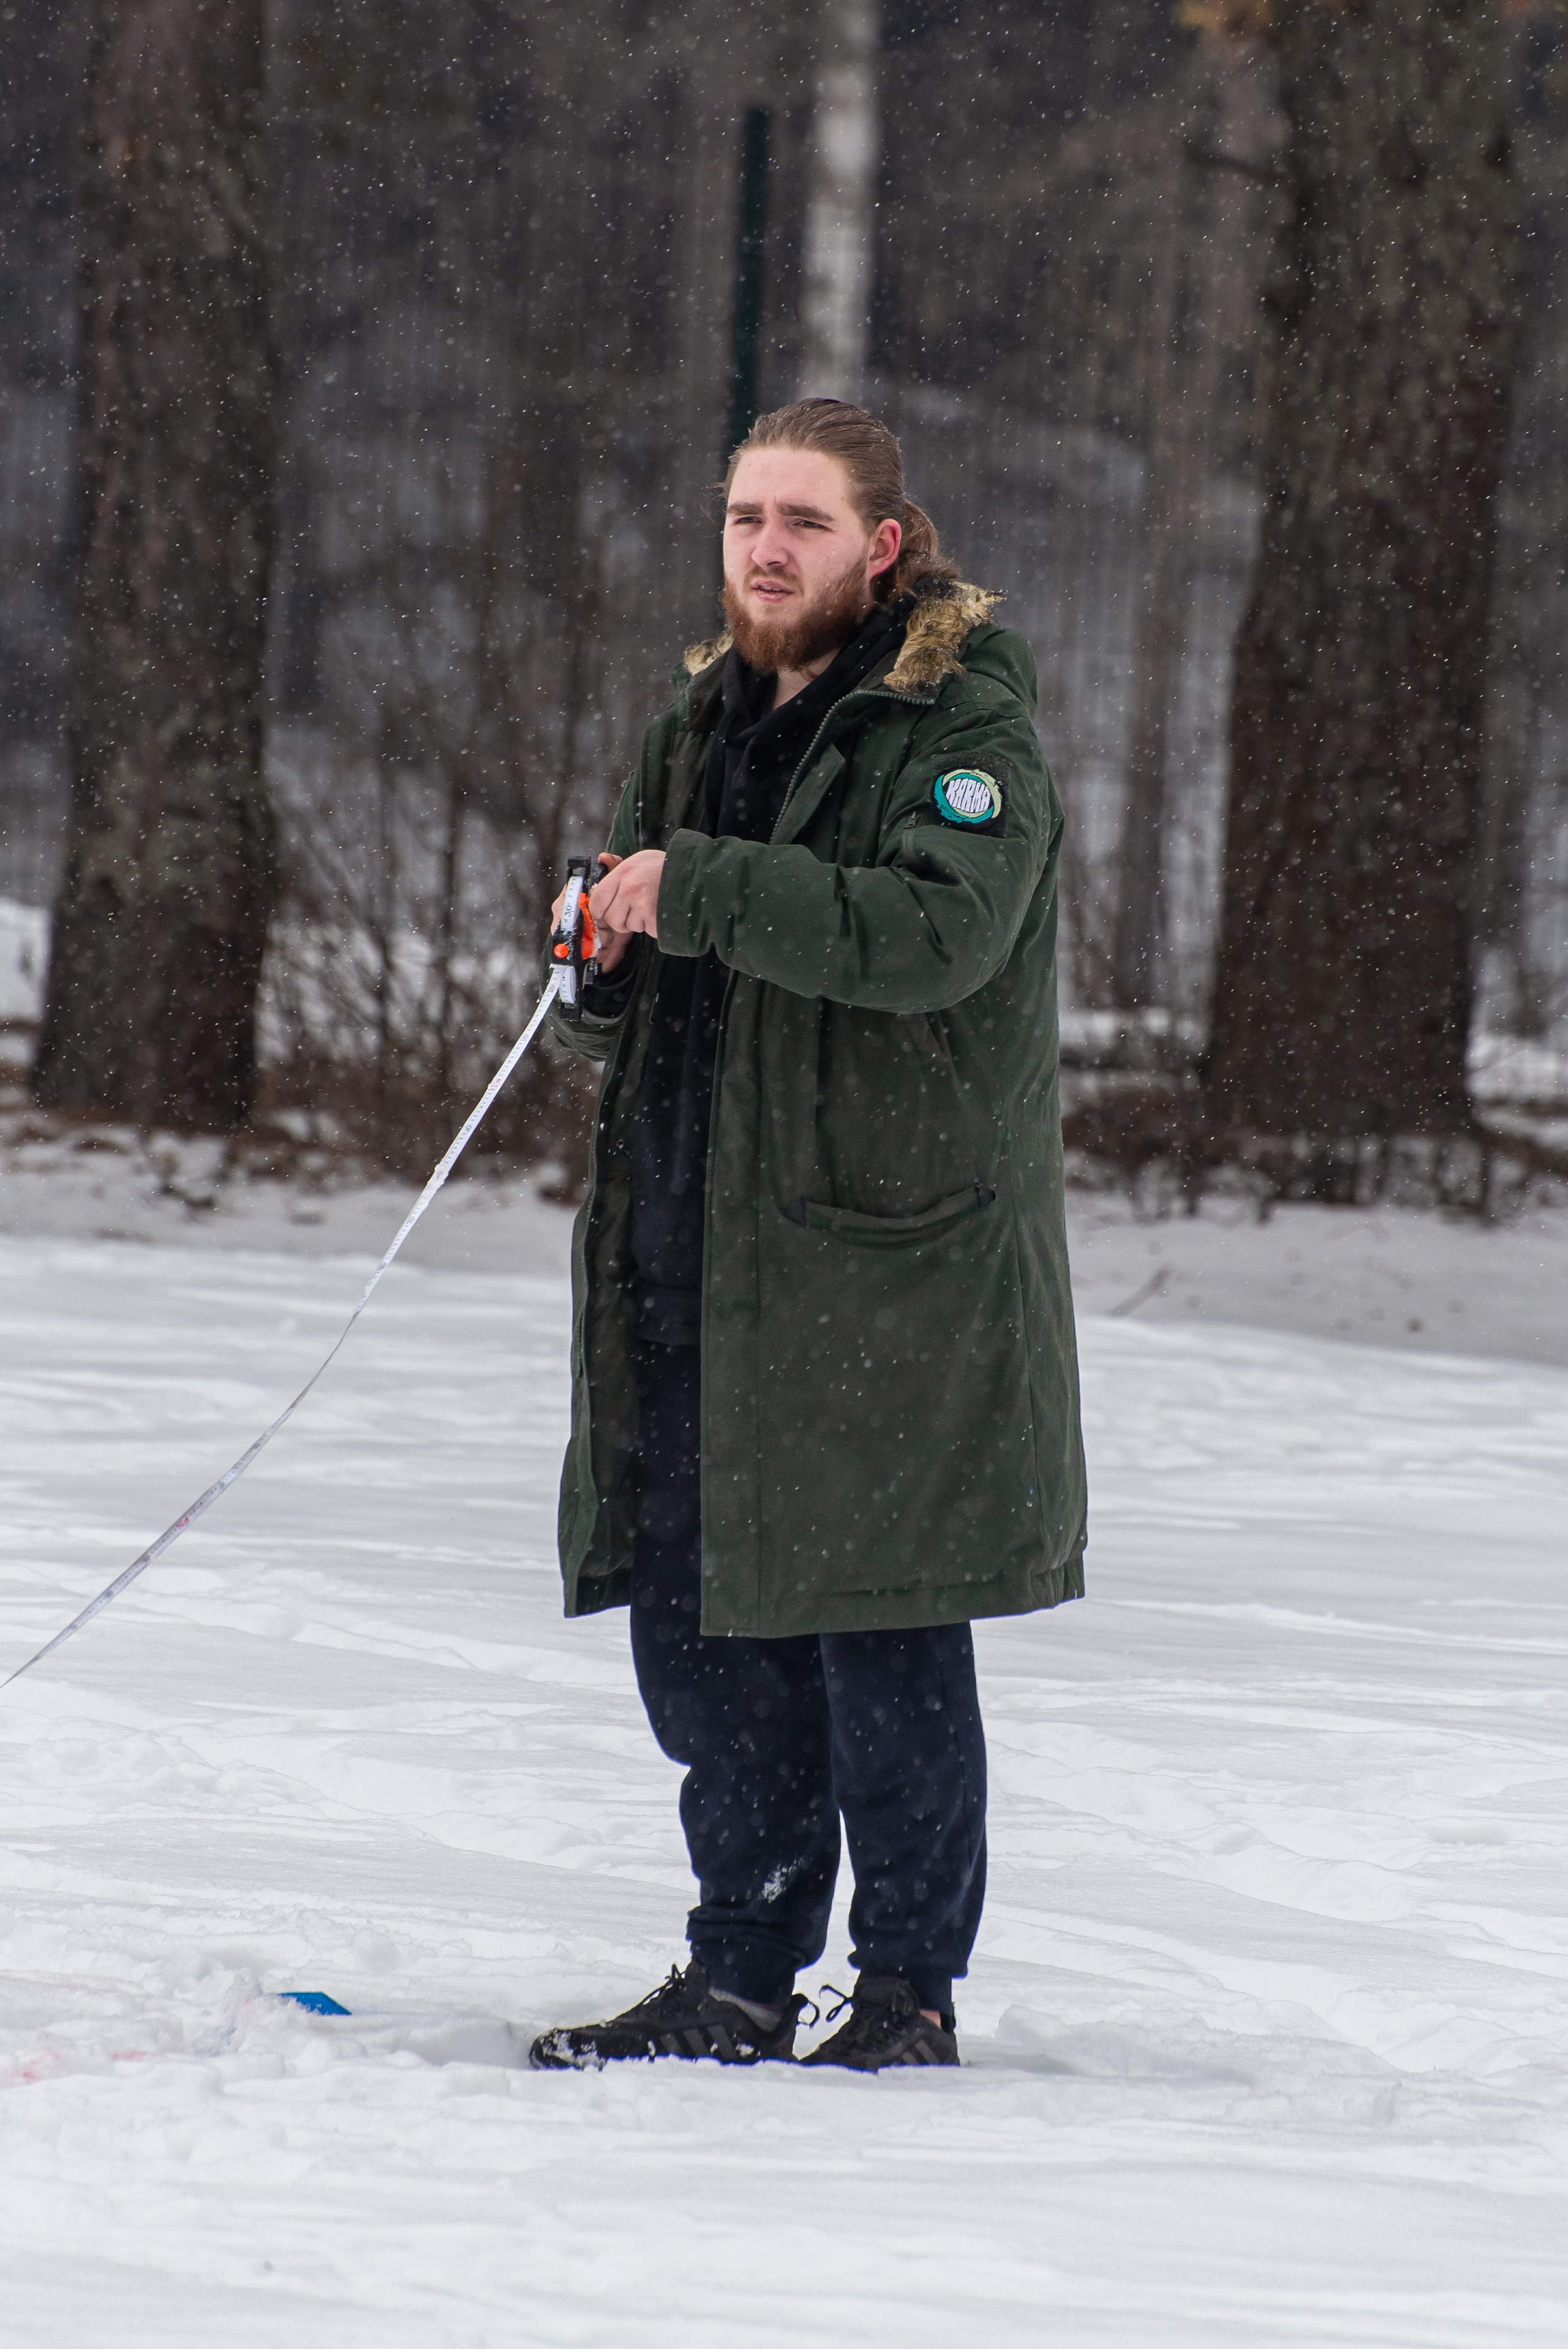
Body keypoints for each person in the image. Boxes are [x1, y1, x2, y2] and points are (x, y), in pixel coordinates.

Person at [529, 399, 1085, 2073]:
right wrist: (601, 965)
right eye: (744, 518)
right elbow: (651, 992)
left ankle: (905, 1994)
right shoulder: (697, 718)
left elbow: (932, 938)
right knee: (708, 1636)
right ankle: (739, 1976)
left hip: (879, 1264)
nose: (766, 550)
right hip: (693, 1250)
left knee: (879, 1629)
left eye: (805, 522)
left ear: (882, 546)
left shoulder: (961, 726)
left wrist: (694, 886)